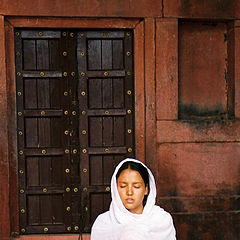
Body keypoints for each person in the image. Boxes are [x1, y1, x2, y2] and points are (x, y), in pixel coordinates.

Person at [91, 158, 176, 240]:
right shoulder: (103, 223)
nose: (129, 192)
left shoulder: (161, 220)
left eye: (136, 186)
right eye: (123, 186)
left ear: (146, 189)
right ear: (115, 189)